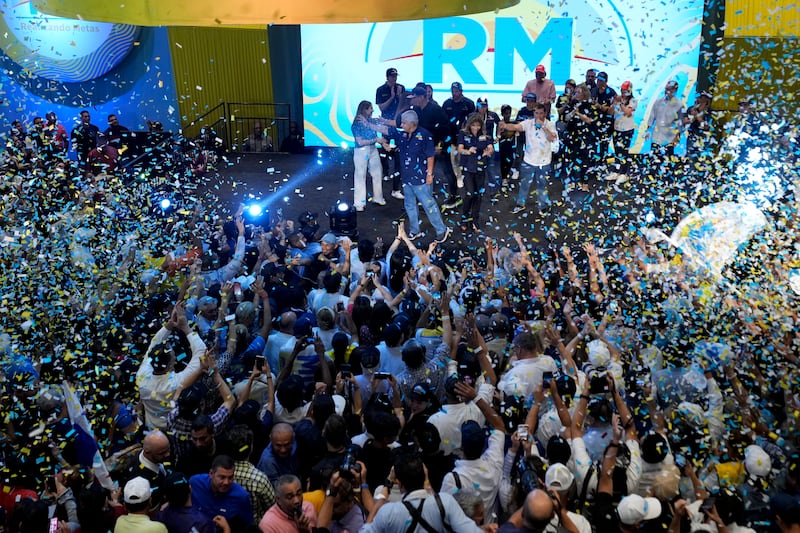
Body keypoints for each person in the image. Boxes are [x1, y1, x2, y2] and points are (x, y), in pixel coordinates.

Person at [361, 451, 485, 532]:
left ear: (398, 483)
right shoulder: (445, 502)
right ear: (424, 475)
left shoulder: (388, 512)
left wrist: (382, 496)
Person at [378, 109, 452, 243]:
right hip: (407, 177)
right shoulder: (403, 135)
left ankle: (441, 230)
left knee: (428, 205)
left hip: (421, 178)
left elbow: (430, 156)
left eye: (404, 123)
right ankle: (414, 230)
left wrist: (429, 174)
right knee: (409, 205)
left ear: (412, 123)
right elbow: (386, 131)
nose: (401, 125)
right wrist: (369, 124)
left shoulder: (425, 136)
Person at [501, 104, 559, 214]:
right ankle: (520, 204)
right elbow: (516, 127)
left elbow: (552, 138)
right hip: (528, 160)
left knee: (542, 186)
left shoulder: (550, 125)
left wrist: (543, 127)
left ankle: (543, 207)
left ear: (545, 113)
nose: (538, 115)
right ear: (534, 113)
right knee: (524, 184)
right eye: (536, 113)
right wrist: (505, 125)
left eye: (541, 113)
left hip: (544, 161)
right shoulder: (528, 123)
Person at [189, 455, 254, 528]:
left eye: (230, 477)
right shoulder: (195, 483)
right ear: (211, 474)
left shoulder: (241, 497)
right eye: (222, 477)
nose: (226, 482)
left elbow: (248, 526)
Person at [457, 114, 494, 232]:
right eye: (473, 125)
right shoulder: (463, 134)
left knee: (478, 195)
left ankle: (475, 220)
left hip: (480, 168)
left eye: (478, 125)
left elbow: (491, 147)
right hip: (468, 168)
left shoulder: (485, 135)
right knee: (470, 194)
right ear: (469, 125)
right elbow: (460, 149)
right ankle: (464, 218)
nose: (476, 128)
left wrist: (488, 152)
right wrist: (468, 151)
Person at [351, 100, 387, 211]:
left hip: (372, 149)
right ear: (364, 110)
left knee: (377, 173)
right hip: (361, 151)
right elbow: (360, 142)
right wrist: (375, 139)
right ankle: (359, 203)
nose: (372, 110)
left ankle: (378, 197)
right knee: (360, 175)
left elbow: (381, 128)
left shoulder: (371, 122)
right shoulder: (357, 124)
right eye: (370, 108)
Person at [375, 67, 405, 196]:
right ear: (387, 77)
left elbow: (403, 104)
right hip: (385, 122)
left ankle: (398, 176)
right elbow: (382, 107)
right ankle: (386, 172)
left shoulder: (401, 88)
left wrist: (399, 96)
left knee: (399, 148)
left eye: (396, 76)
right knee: (384, 148)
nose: (394, 79)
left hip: (397, 123)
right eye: (392, 76)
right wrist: (392, 97)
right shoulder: (381, 90)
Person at [442, 81, 476, 191]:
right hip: (451, 137)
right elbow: (444, 121)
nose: (454, 93)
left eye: (457, 91)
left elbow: (473, 120)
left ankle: (466, 177)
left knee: (463, 158)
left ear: (461, 91)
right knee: (453, 160)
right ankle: (458, 176)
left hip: (464, 138)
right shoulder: (447, 104)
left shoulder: (469, 103)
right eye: (453, 91)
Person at [647, 79, 685, 163]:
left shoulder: (679, 105)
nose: (667, 91)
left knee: (667, 163)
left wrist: (677, 137)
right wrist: (648, 131)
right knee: (654, 161)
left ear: (675, 90)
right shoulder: (658, 102)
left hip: (669, 138)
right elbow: (652, 117)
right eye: (666, 89)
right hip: (656, 136)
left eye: (670, 89)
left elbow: (681, 122)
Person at [609, 80, 638, 181]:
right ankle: (616, 171)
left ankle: (624, 173)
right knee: (617, 151)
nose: (623, 93)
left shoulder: (633, 101)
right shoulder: (618, 100)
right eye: (622, 91)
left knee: (624, 151)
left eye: (625, 91)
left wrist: (620, 102)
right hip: (616, 128)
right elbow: (610, 112)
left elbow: (627, 112)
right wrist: (613, 103)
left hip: (627, 129)